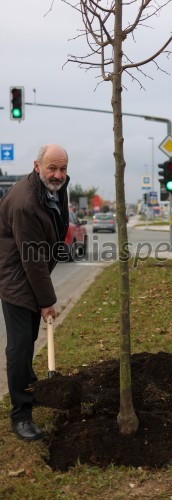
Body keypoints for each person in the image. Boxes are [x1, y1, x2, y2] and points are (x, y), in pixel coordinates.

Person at [0, 144, 69, 440]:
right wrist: (46, 302)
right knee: (20, 347)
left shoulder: (54, 187)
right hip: (16, 279)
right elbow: (32, 260)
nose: (58, 175)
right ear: (36, 166)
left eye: (63, 168)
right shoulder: (25, 202)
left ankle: (30, 388)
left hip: (30, 272)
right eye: (52, 168)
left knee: (29, 339)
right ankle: (21, 414)